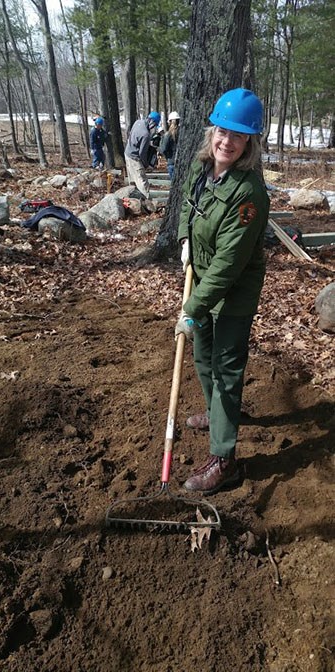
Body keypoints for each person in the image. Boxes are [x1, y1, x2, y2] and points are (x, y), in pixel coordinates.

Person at [175, 88, 270, 495]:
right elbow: (186, 206)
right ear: (212, 130)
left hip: (231, 294)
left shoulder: (249, 194)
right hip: (203, 281)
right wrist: (184, 239)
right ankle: (219, 415)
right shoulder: (204, 170)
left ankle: (224, 458)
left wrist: (193, 307)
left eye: (238, 135)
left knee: (227, 370)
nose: (226, 141)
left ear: (249, 141)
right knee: (202, 356)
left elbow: (228, 265)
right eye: (222, 131)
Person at [124, 111, 161, 198]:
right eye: (155, 125)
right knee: (143, 183)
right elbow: (142, 153)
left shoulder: (137, 122)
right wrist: (146, 165)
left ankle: (133, 200)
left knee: (132, 182)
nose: (154, 127)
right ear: (152, 122)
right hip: (135, 157)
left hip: (127, 153)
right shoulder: (146, 134)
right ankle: (146, 202)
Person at [160, 111, 180, 180]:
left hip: (171, 163)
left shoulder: (168, 135)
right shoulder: (182, 133)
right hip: (181, 163)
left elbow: (163, 149)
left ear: (169, 122)